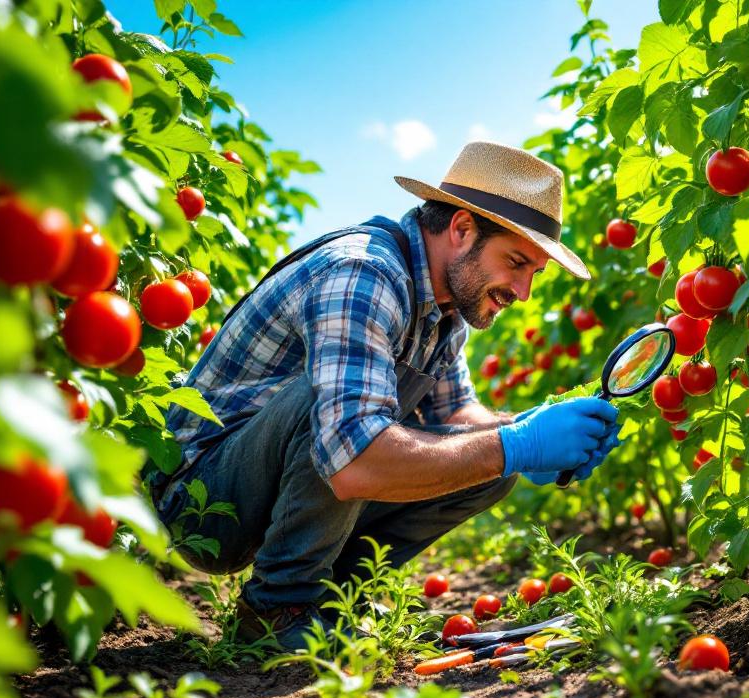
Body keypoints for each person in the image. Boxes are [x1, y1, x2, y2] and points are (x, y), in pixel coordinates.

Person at [147, 142, 621, 650]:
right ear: (461, 230)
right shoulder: (363, 275)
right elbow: (350, 454)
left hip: (278, 484)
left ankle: (328, 600)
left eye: (535, 273)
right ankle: (279, 606)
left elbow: (458, 416)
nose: (523, 290)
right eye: (516, 262)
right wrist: (518, 444)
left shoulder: (444, 310)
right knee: (340, 412)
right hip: (206, 499)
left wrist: (533, 429)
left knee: (490, 465)